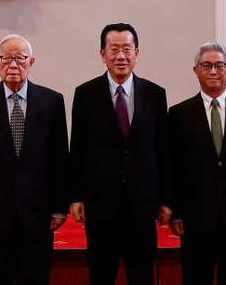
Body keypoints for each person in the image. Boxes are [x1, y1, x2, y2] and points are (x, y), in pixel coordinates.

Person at [0, 34, 69, 284]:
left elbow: (60, 157)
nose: (13, 65)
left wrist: (59, 206)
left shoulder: (52, 101)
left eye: (20, 59)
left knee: (35, 276)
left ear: (31, 62)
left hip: (39, 212)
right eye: (6, 59)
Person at [69, 23, 171, 285]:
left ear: (137, 53)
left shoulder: (155, 94)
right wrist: (77, 196)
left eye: (127, 49)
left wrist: (165, 199)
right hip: (101, 202)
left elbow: (163, 149)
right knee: (101, 274)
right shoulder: (85, 94)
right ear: (102, 53)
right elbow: (77, 148)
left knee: (142, 274)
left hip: (142, 203)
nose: (121, 56)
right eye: (113, 49)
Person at [167, 42, 226, 285]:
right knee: (196, 277)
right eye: (206, 65)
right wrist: (176, 211)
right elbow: (173, 166)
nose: (213, 71)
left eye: (219, 65)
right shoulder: (178, 114)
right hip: (195, 217)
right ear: (195, 70)